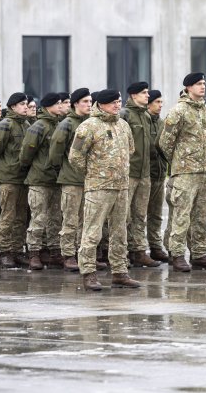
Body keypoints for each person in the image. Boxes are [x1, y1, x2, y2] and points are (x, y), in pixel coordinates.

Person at [69, 89, 140, 291]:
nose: (117, 105)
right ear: (101, 104)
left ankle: (120, 272)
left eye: (118, 102)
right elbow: (75, 157)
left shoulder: (123, 125)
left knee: (120, 232)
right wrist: (94, 173)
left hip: (121, 186)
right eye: (113, 102)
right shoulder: (88, 126)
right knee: (92, 232)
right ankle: (89, 273)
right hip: (98, 188)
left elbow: (131, 150)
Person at [159, 73, 206, 272]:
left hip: (205, 172)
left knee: (201, 216)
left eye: (204, 83)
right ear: (187, 87)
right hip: (184, 173)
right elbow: (165, 142)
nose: (202, 87)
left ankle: (199, 253)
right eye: (198, 84)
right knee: (181, 216)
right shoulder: (179, 111)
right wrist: (180, 161)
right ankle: (176, 254)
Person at [20, 92, 64, 270]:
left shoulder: (61, 125)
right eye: (58, 104)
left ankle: (54, 252)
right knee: (38, 218)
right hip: (39, 179)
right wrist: (38, 167)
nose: (61, 106)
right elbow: (25, 154)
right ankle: (34, 253)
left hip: (56, 179)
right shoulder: (38, 126)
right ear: (48, 106)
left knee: (55, 219)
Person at [49, 88, 92, 271]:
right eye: (85, 102)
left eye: (90, 101)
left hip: (89, 180)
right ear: (75, 104)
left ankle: (85, 255)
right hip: (71, 180)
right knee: (70, 220)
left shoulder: (92, 123)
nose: (89, 105)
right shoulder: (67, 124)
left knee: (87, 221)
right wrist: (65, 170)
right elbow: (55, 153)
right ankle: (68, 255)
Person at [0, 92, 31, 268]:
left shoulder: (26, 124)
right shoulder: (6, 125)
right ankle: (5, 251)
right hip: (9, 178)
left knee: (21, 217)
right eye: (22, 104)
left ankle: (17, 250)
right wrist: (6, 166)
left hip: (23, 178)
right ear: (13, 107)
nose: (25, 107)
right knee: (7, 216)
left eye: (26, 104)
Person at [120, 82, 161, 268]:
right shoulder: (124, 115)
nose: (147, 95)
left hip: (145, 173)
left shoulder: (145, 115)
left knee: (140, 214)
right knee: (123, 216)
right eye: (144, 93)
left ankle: (138, 251)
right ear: (133, 95)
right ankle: (121, 253)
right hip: (129, 173)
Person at [145, 90, 170, 262]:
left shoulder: (161, 123)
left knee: (156, 214)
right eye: (157, 102)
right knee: (136, 216)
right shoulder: (142, 122)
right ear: (148, 104)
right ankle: (135, 249)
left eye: (161, 102)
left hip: (159, 174)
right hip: (144, 174)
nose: (160, 105)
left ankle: (155, 246)